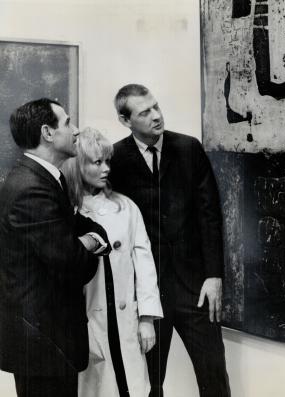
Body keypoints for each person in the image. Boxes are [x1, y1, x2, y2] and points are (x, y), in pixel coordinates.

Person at [110, 84, 231, 397]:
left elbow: (210, 216)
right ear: (126, 121)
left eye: (156, 107)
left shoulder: (189, 148)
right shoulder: (116, 159)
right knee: (149, 384)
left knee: (214, 375)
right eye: (144, 112)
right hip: (148, 294)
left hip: (196, 288)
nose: (156, 116)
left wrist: (214, 275)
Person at [0, 98, 110, 397]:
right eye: (68, 123)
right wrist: (86, 244)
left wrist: (86, 240)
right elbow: (73, 264)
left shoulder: (45, 179)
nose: (76, 131)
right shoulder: (30, 188)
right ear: (47, 133)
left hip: (48, 342)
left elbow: (84, 230)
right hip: (43, 345)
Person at [63, 127, 163, 397]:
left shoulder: (126, 207)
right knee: (96, 387)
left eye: (108, 160)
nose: (106, 168)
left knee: (133, 386)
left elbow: (145, 265)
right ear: (77, 164)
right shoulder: (66, 212)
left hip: (126, 321)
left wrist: (146, 319)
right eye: (97, 162)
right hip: (87, 324)